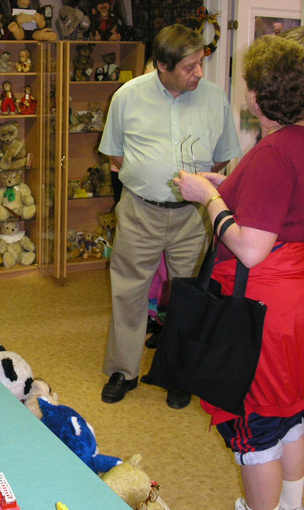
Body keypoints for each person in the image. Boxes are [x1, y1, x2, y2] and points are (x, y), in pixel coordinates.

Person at [173, 35, 304, 510]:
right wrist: (226, 186)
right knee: (291, 415)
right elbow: (281, 206)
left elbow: (250, 248)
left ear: (255, 95)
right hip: (294, 305)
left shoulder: (274, 152)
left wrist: (208, 198)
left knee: (257, 426)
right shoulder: (296, 143)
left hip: (263, 312)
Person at [99, 24, 241, 408]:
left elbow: (222, 156)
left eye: (200, 64)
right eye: (190, 67)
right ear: (163, 65)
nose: (199, 73)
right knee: (128, 292)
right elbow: (115, 153)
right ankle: (123, 371)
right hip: (139, 210)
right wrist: (147, 176)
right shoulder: (127, 96)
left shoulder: (215, 98)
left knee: (189, 297)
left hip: (193, 216)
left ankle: (181, 374)